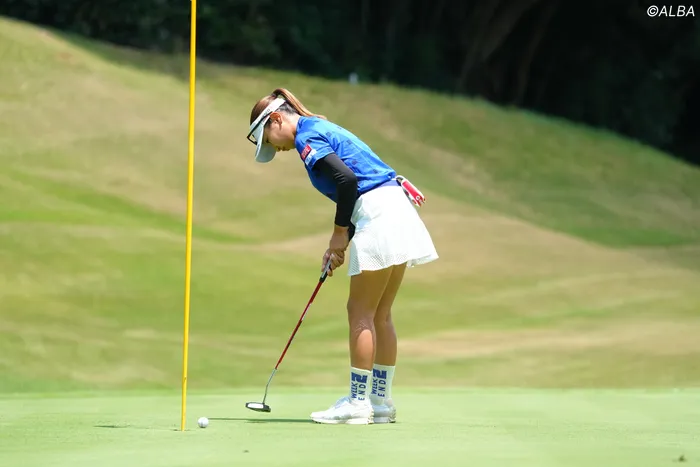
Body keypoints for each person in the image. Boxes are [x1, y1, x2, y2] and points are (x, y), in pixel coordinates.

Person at [246, 88, 439, 425]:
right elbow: (356, 185)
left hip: (377, 214)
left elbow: (347, 182)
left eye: (270, 140)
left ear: (276, 119)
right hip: (395, 208)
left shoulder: (306, 138)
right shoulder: (320, 127)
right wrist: (341, 241)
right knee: (381, 314)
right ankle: (380, 402)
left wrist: (338, 234)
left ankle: (358, 403)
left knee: (360, 313)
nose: (275, 148)